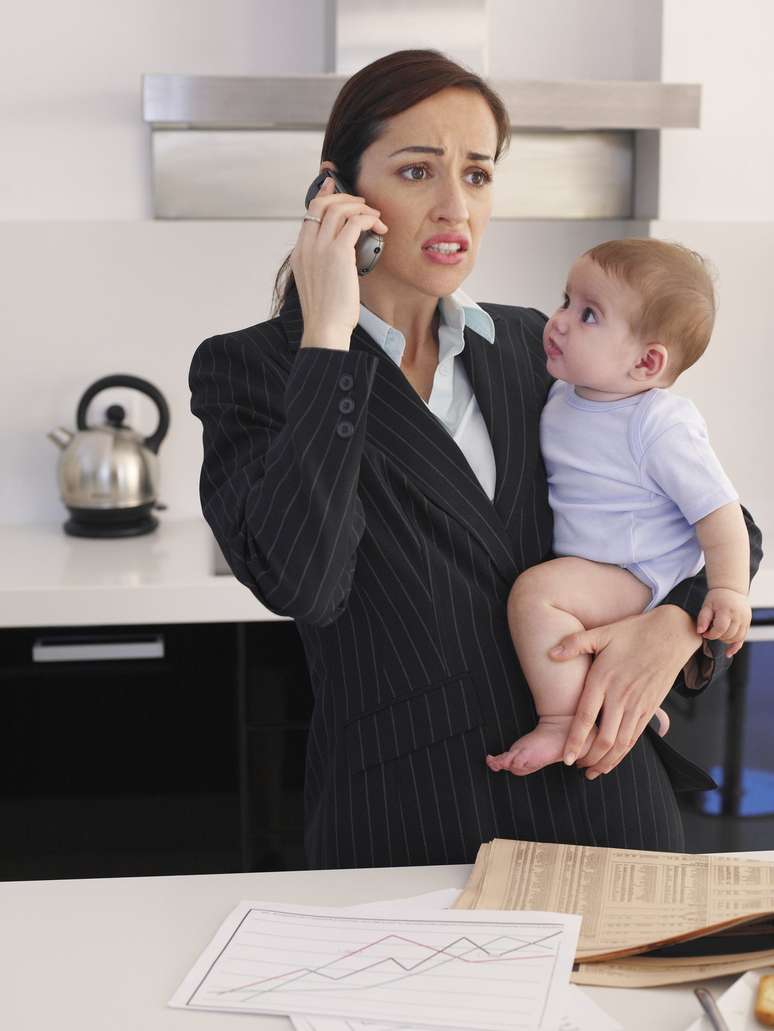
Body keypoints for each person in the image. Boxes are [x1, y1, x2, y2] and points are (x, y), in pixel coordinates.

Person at [189, 49, 762, 869]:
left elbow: (726, 518)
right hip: (410, 826)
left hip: (606, 807)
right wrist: (327, 338)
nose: (455, 208)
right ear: (336, 193)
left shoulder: (542, 345)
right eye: (418, 170)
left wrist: (673, 627)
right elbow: (301, 581)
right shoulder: (254, 368)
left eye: (479, 175)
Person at [485, 240, 754, 778]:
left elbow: (721, 512)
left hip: (635, 571)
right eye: (565, 300)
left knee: (537, 594)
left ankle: (563, 721)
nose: (558, 321)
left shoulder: (659, 422)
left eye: (587, 314)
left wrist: (727, 591)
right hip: (600, 566)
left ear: (647, 361)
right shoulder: (563, 395)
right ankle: (630, 708)